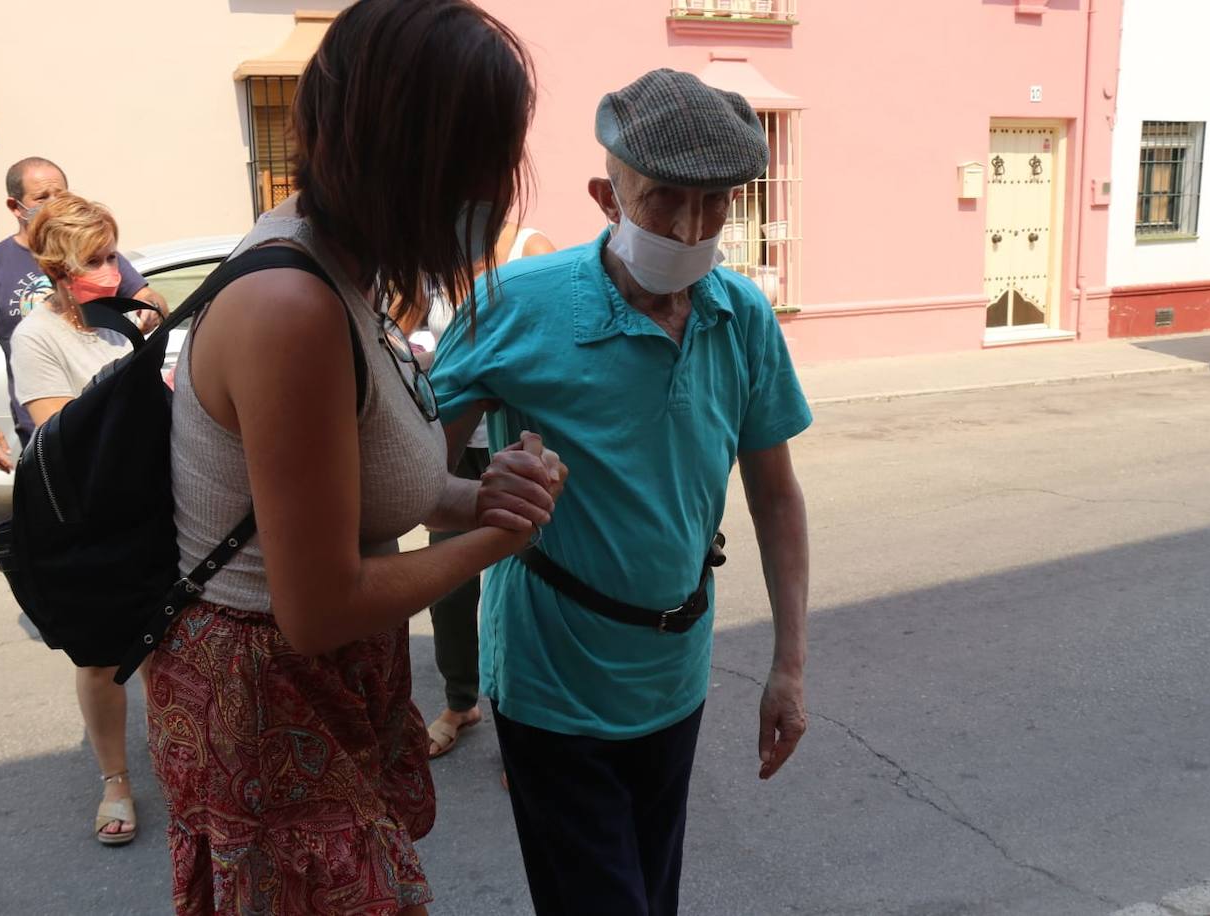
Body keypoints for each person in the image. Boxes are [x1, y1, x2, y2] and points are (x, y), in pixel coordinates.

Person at [143, 2, 562, 914]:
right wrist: (498, 541)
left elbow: (368, 486)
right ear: (410, 153)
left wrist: (478, 494)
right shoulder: (293, 307)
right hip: (270, 697)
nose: (497, 185)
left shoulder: (344, 264)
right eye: (483, 155)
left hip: (320, 684)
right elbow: (317, 606)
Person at [430, 68, 812, 916]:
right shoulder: (513, 307)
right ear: (607, 195)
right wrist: (485, 496)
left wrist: (788, 665)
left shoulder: (740, 315)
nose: (692, 226)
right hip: (553, 679)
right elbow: (409, 484)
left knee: (653, 893)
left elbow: (776, 496)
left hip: (675, 674)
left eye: (717, 202)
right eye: (664, 199)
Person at [8, 193, 142, 845]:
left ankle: (191, 760)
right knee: (100, 659)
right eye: (97, 258)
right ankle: (115, 779)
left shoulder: (131, 316)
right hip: (89, 517)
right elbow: (57, 429)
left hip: (154, 503)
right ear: (62, 270)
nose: (113, 269)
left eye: (114, 254)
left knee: (177, 644)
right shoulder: (37, 335)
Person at [413, 222, 556, 760]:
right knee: (448, 589)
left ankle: (520, 724)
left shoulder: (529, 251)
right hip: (450, 445)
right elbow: (397, 330)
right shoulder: (432, 265)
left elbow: (554, 345)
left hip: (510, 446)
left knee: (516, 585)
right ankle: (461, 700)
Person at [0, 156, 167, 469]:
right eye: (42, 198)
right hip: (53, 433)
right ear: (15, 206)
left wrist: (151, 311)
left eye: (61, 195)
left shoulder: (101, 272)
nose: (54, 204)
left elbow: (148, 297)